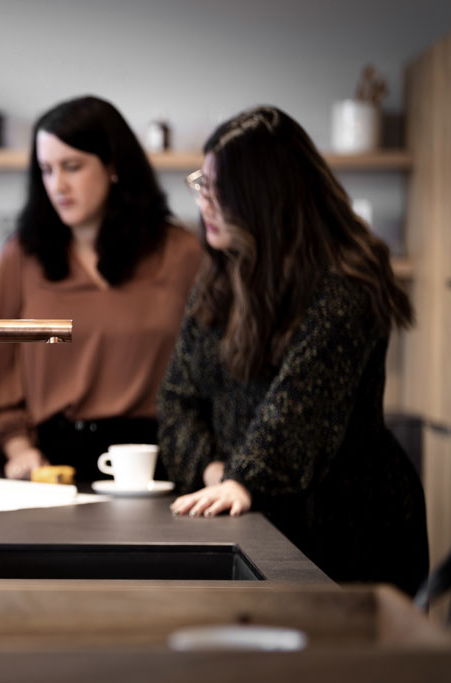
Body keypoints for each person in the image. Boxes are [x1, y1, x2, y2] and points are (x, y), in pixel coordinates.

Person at [159, 105, 428, 596]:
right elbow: (179, 398)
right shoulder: (222, 274)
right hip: (244, 506)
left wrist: (243, 480)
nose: (205, 204)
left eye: (221, 191)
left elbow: (298, 408)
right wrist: (216, 470)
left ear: (267, 198)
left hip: (345, 528)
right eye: (203, 185)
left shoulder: (347, 285)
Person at [0, 95, 202, 482]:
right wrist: (20, 450)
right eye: (46, 170)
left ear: (113, 165)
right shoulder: (21, 256)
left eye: (72, 167)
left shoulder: (181, 251)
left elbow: (211, 375)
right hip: (51, 464)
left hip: (158, 461)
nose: (57, 185)